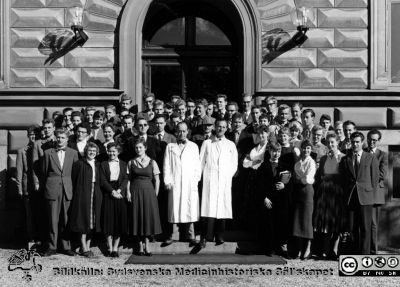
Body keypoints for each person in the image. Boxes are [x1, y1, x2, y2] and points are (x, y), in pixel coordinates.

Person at [198, 119, 238, 247]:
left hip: (224, 181)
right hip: (210, 180)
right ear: (215, 127)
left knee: (222, 208)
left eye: (223, 127)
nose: (221, 129)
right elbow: (200, 162)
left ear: (227, 128)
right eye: (219, 126)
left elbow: (234, 164)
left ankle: (219, 236)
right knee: (207, 208)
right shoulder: (207, 143)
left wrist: (227, 176)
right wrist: (200, 178)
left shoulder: (231, 145)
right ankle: (203, 237)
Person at [41, 128, 79, 256]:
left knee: (66, 218)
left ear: (67, 139)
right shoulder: (47, 153)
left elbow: (75, 173)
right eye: (58, 137)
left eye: (63, 137)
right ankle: (52, 246)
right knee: (52, 219)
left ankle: (66, 246)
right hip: (52, 188)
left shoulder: (73, 153)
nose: (60, 140)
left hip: (68, 188)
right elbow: (44, 172)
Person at [340, 131, 379, 254]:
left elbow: (375, 178)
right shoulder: (345, 159)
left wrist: (369, 192)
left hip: (366, 197)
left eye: (357, 142)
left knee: (366, 227)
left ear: (362, 143)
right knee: (352, 227)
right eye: (353, 142)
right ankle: (354, 253)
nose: (355, 144)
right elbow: (343, 179)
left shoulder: (370, 157)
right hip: (351, 197)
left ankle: (365, 254)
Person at [163, 122, 201, 246]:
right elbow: (166, 165)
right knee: (174, 207)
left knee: (190, 207)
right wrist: (167, 180)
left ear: (188, 132)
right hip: (175, 181)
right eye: (179, 131)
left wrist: (195, 180)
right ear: (176, 132)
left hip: (190, 182)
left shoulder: (194, 146)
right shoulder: (170, 147)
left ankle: (191, 235)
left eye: (184, 131)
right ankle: (173, 235)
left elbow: (197, 166)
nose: (182, 133)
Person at [313, 133, 345, 260]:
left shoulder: (343, 158)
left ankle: (335, 249)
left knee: (336, 222)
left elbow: (345, 177)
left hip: (337, 193)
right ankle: (325, 250)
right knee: (325, 221)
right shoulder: (323, 158)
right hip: (325, 193)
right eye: (328, 143)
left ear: (337, 143)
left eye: (333, 142)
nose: (330, 145)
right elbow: (320, 176)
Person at [256, 142, 292, 257]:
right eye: (274, 151)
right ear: (270, 152)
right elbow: (258, 185)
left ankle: (282, 247)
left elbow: (291, 184)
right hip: (268, 199)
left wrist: (284, 186)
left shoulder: (285, 165)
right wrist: (263, 198)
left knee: (281, 223)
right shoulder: (263, 166)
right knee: (269, 224)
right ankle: (269, 247)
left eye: (278, 151)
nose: (276, 154)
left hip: (281, 200)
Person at [127, 138, 162, 256]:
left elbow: (157, 179)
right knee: (138, 217)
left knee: (147, 218)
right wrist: (128, 192)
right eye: (136, 148)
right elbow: (128, 179)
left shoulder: (152, 162)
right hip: (135, 191)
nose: (138, 149)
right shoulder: (131, 162)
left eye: (140, 147)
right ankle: (140, 246)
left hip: (148, 192)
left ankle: (147, 245)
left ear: (145, 148)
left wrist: (155, 193)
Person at [70, 142, 102, 257]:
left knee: (92, 221)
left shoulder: (98, 164)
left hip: (96, 193)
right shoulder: (79, 164)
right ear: (85, 151)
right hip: (83, 194)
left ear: (97, 152)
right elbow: (73, 180)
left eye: (94, 151)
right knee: (83, 219)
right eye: (90, 150)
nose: (92, 153)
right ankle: (83, 247)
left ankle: (88, 246)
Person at [100, 143, 128, 257]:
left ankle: (116, 249)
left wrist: (119, 191)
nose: (111, 153)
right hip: (108, 193)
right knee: (108, 221)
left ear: (118, 152)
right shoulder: (103, 164)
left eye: (114, 151)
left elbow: (126, 179)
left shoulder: (123, 164)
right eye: (110, 151)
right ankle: (110, 248)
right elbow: (103, 180)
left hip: (120, 194)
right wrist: (112, 192)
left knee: (118, 222)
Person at [16, 125, 40, 247]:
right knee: (30, 215)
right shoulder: (22, 151)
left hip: (40, 187)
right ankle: (32, 239)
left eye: (35, 134)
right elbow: (19, 172)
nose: (33, 136)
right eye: (31, 134)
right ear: (28, 135)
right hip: (27, 188)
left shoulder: (41, 147)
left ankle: (41, 239)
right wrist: (20, 189)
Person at [292, 140, 316, 260]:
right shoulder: (299, 162)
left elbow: (308, 178)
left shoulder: (311, 162)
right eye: (304, 148)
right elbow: (296, 174)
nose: (306, 150)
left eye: (308, 148)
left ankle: (308, 248)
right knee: (299, 219)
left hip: (307, 190)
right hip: (299, 191)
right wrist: (300, 178)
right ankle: (300, 248)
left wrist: (301, 179)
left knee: (307, 219)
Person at [365, 129, 387, 254]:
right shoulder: (362, 152)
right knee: (363, 222)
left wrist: (365, 178)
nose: (371, 142)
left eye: (374, 140)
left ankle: (373, 251)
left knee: (373, 224)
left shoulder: (382, 155)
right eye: (370, 139)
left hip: (374, 193)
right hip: (363, 193)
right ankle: (364, 249)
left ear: (378, 141)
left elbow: (382, 174)